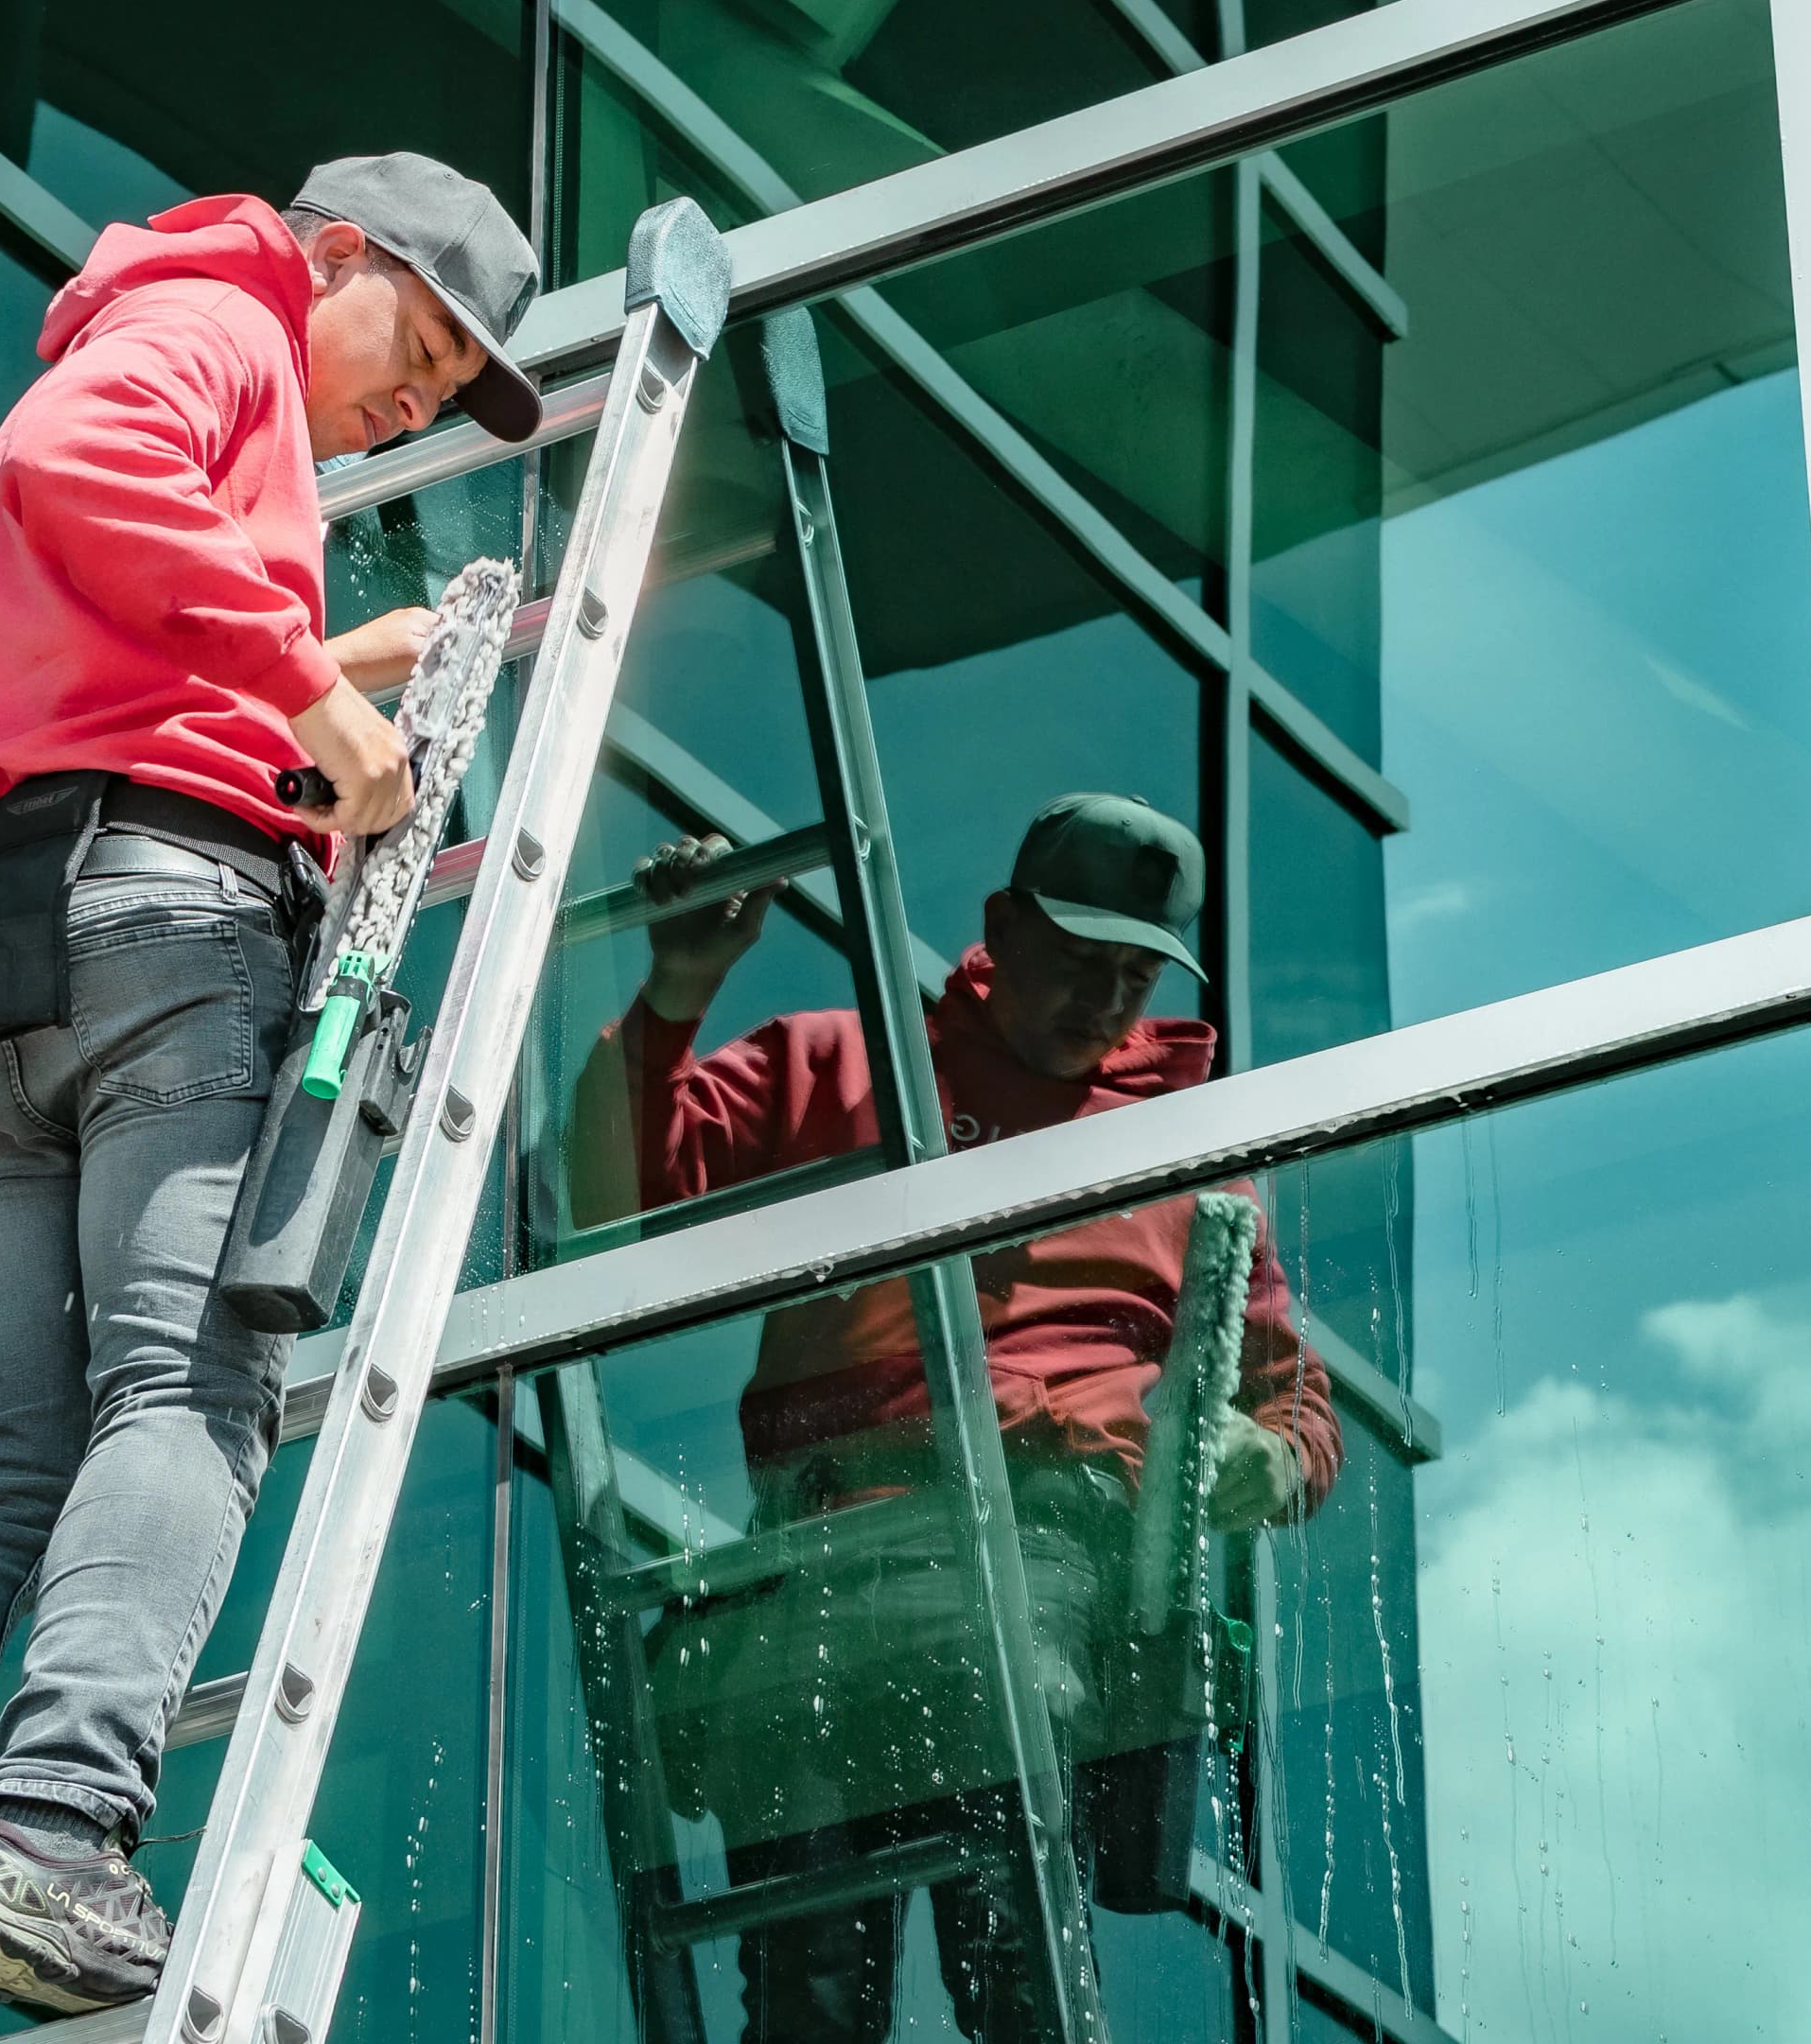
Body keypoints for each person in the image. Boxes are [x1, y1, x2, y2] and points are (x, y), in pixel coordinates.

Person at [0, 155, 548, 2044]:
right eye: (414, 346)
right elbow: (78, 472)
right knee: (183, 1388)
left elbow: (117, 647)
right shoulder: (215, 323)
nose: (405, 404)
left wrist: (344, 674)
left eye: (440, 393)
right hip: (149, 924)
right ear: (331, 253)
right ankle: (44, 1829)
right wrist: (325, 703)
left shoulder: (191, 355)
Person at [567, 795, 1339, 2044]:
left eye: (1134, 975)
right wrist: (678, 988)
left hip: (1041, 1555)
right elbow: (612, 1212)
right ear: (1002, 931)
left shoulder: (1191, 1152)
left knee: (1016, 1945)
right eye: (1081, 962)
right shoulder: (851, 1064)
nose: (1104, 1002)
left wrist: (1270, 1452)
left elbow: (1293, 1396)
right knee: (810, 1996)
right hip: (824, 1567)